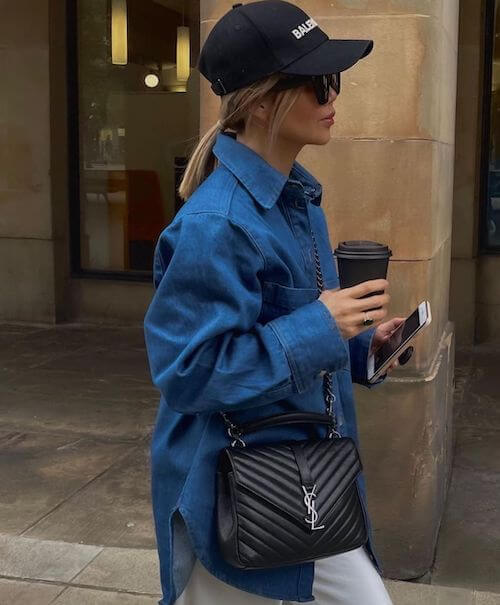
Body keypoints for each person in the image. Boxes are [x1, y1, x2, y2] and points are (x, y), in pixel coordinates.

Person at [144, 2, 405, 603]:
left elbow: (290, 331)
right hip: (238, 489)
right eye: (314, 83)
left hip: (301, 479)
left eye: (332, 80)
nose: (331, 96)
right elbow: (188, 372)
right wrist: (322, 324)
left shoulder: (297, 202)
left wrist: (366, 348)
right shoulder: (218, 224)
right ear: (261, 102)